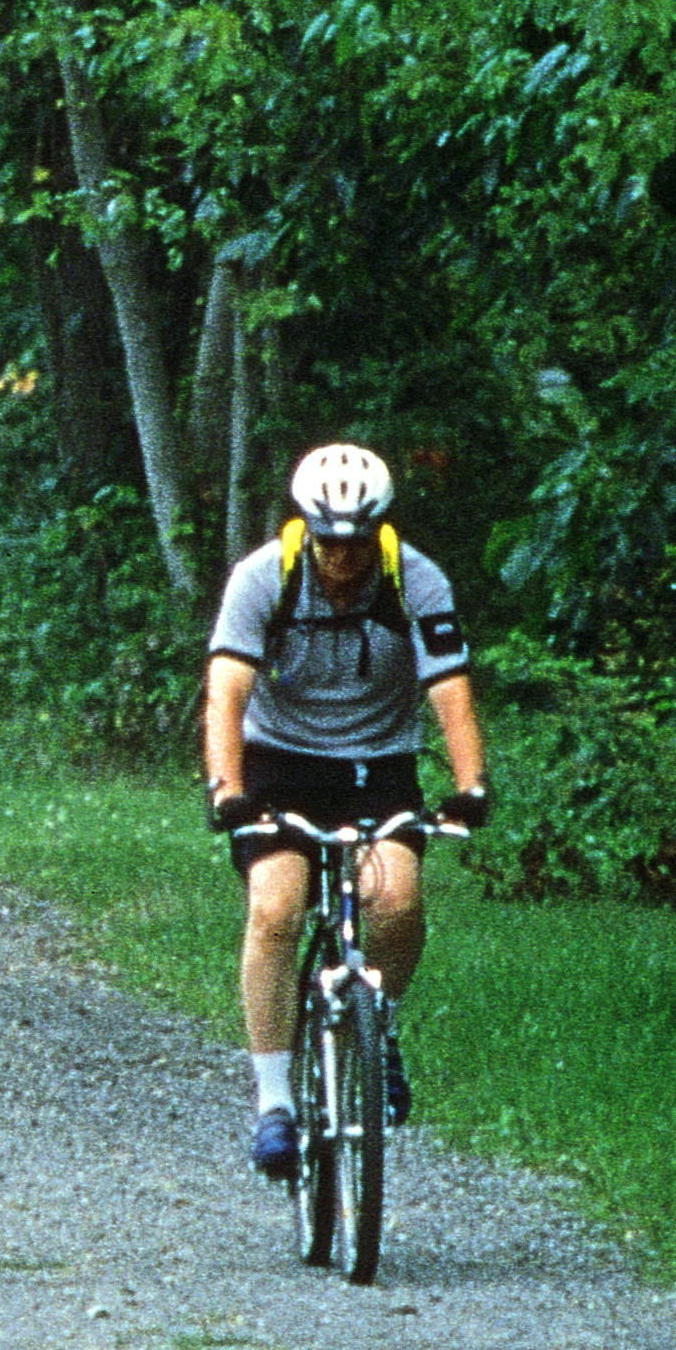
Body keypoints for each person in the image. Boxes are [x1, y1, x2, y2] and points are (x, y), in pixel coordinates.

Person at [200, 441, 491, 1180]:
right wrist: (225, 789)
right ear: (307, 529)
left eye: (356, 542)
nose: (341, 559)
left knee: (396, 901)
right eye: (328, 542)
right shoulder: (263, 578)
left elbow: (449, 686)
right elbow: (226, 692)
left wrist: (471, 782)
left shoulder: (414, 580)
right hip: (277, 763)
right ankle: (275, 1105)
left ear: (378, 532)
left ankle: (376, 1026)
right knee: (276, 906)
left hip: (375, 766)